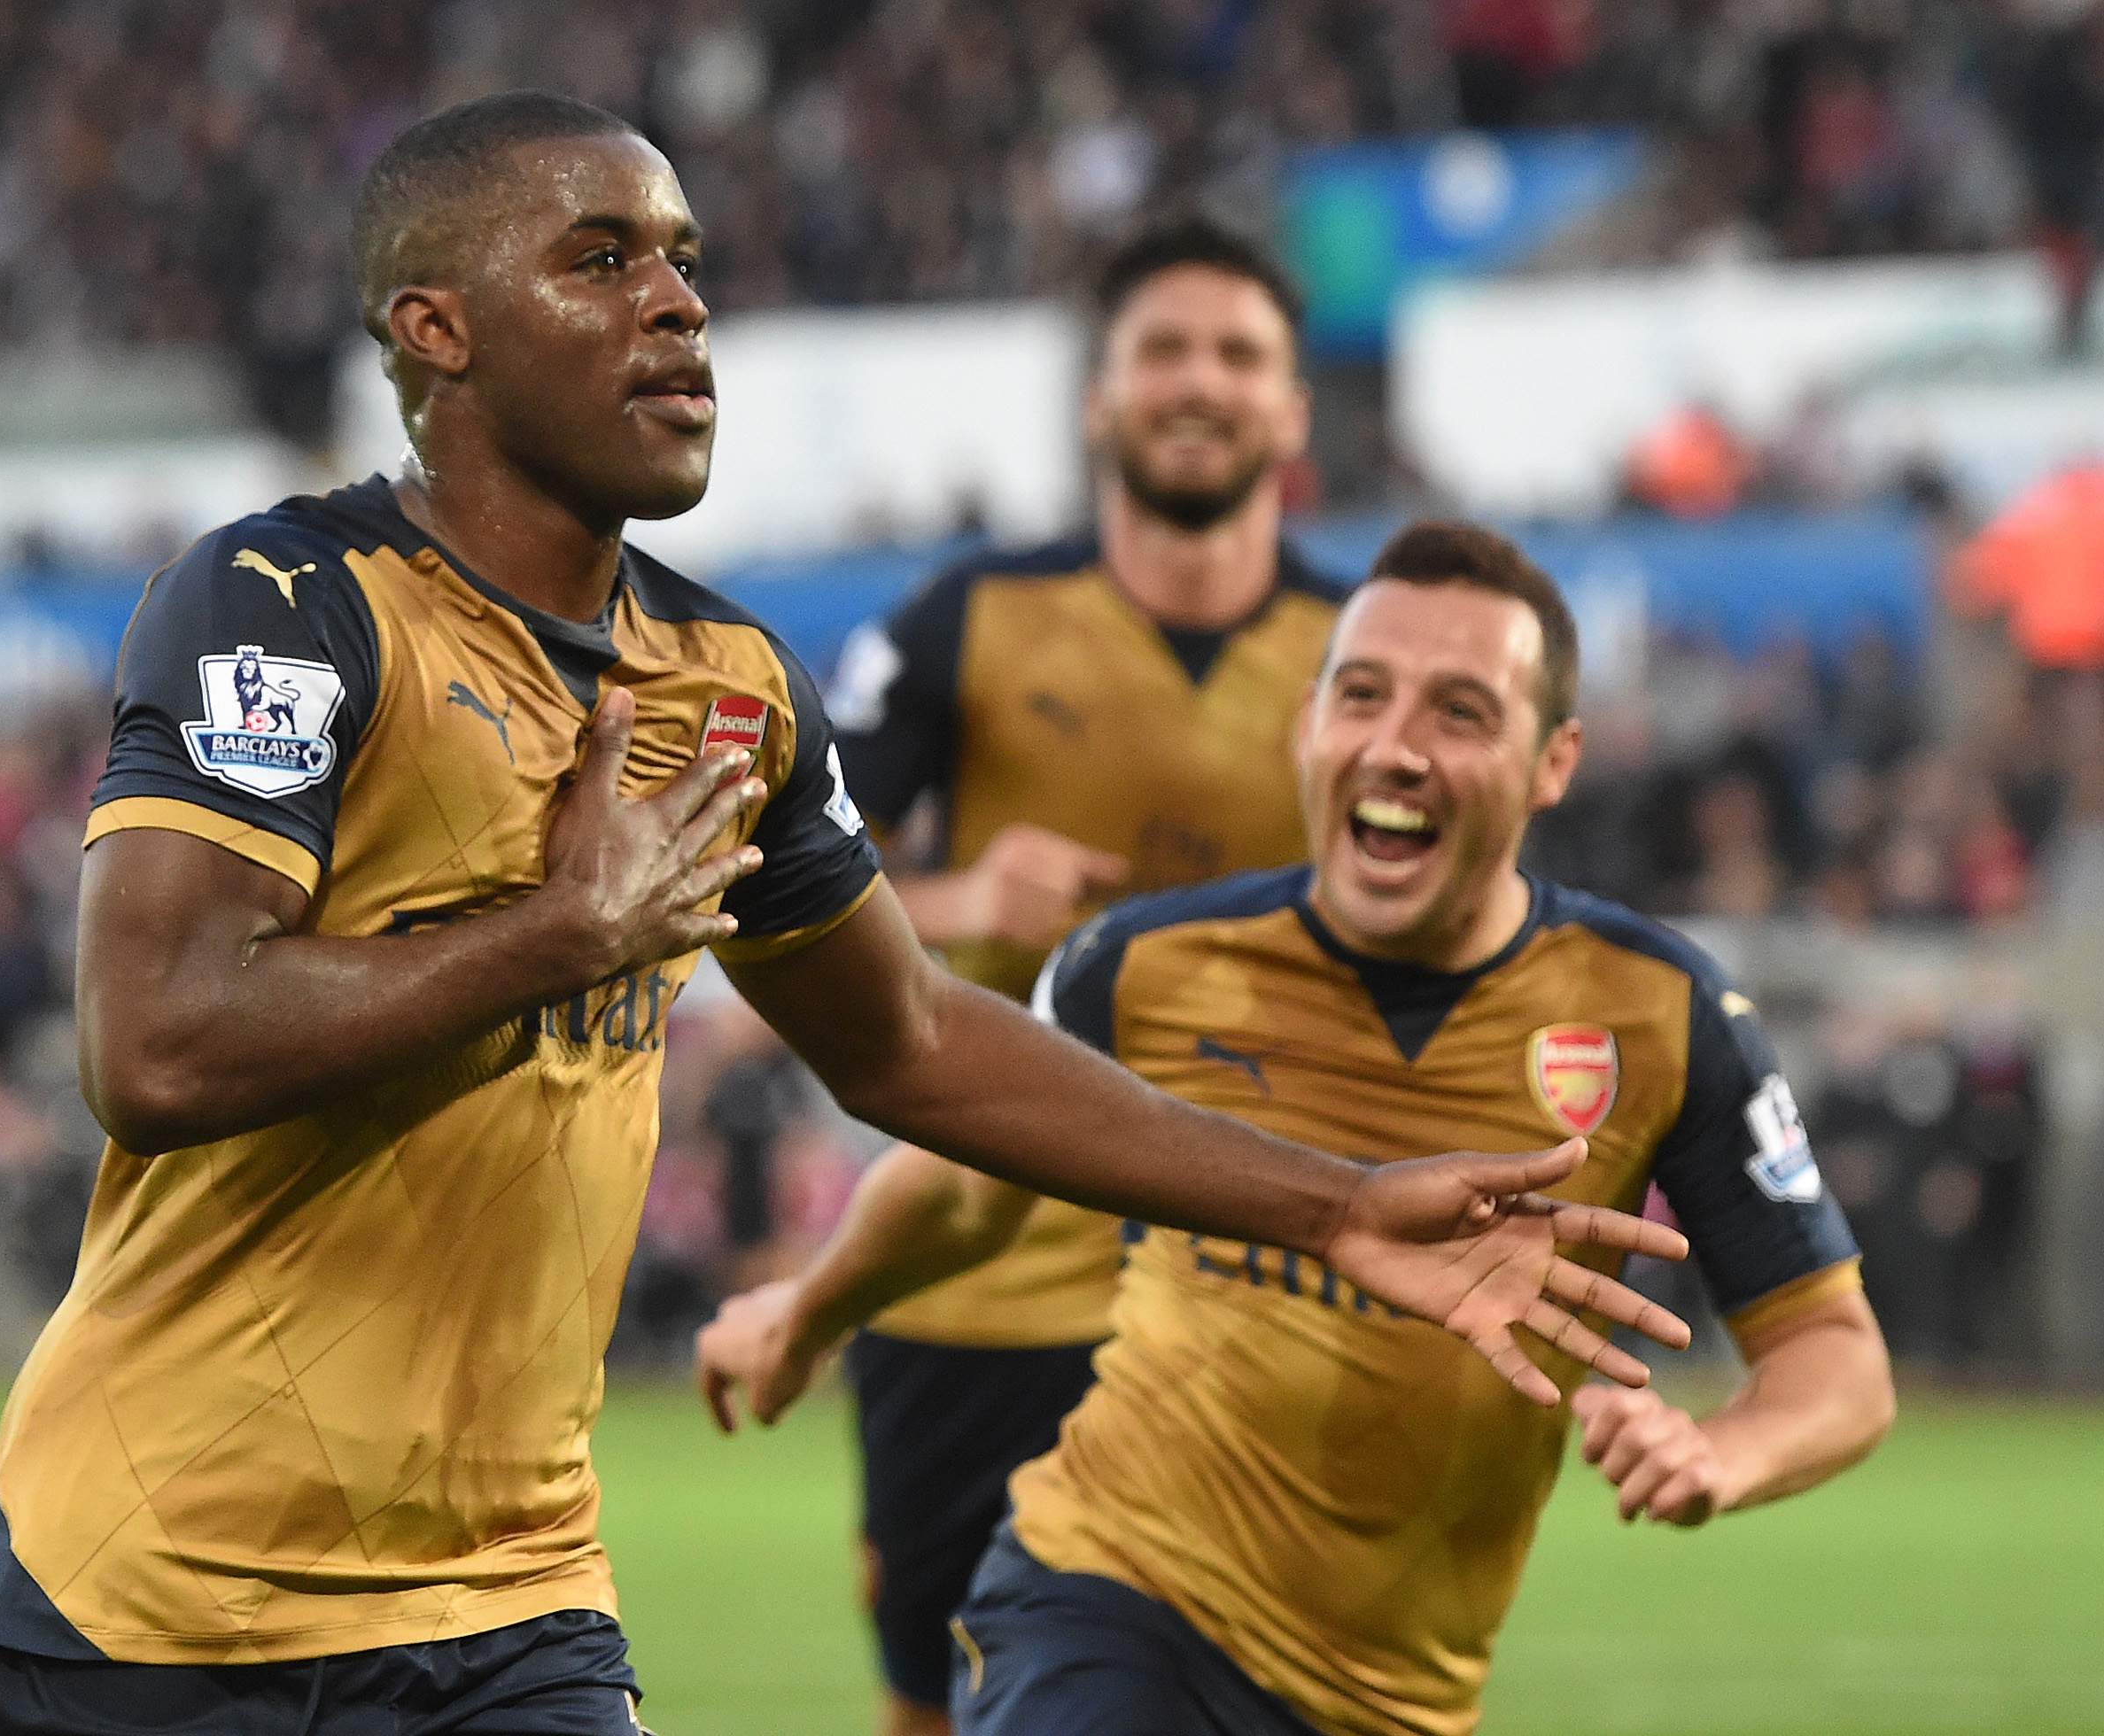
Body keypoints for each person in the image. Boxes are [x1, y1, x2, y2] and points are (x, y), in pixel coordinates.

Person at [0, 95, 1689, 1736]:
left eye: (683, 259)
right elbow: (151, 1041)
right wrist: (553, 934)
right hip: (137, 1605)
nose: (676, 304)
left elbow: (910, 1039)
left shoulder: (732, 681)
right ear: (432, 331)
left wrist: (1342, 1203)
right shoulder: (285, 598)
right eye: (599, 257)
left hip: (511, 1608)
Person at [697, 520, 1893, 1736]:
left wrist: (1720, 1455)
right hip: (1107, 1595)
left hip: (1398, 1700)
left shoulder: (1660, 1012)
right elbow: (963, 1195)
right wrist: (806, 1313)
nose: (1395, 747)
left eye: (1460, 712)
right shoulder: (1139, 967)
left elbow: (1835, 1355)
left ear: (1553, 762)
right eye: (1361, 695)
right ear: (1307, 723)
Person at [819, 212, 1341, 1735]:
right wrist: (959, 892)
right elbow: (766, 894)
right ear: (1097, 398)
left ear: (1293, 406)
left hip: (1253, 1285)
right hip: (974, 1280)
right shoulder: (962, 623)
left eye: (1238, 353)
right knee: (936, 1696)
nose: (1199, 382)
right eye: (1161, 349)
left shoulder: (1357, 655)